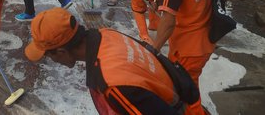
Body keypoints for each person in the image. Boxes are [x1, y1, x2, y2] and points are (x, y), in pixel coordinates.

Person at [25, 8, 194, 115]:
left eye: (48, 56)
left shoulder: (112, 83)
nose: (52, 61)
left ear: (61, 51)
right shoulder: (107, 34)